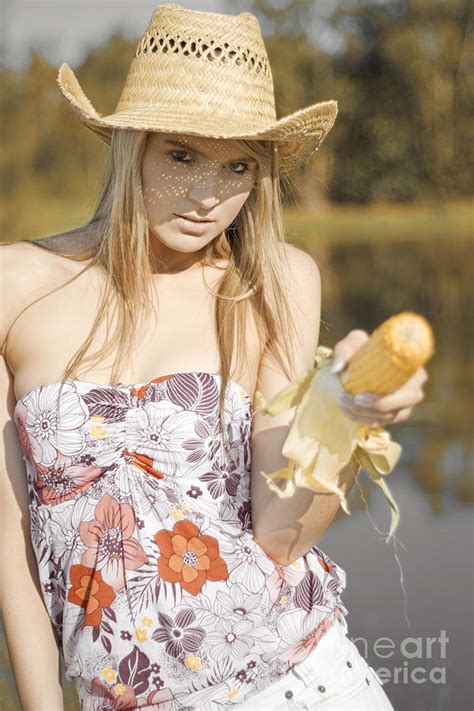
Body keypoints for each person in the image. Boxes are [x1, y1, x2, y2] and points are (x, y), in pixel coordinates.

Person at [0, 4, 427, 710]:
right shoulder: (14, 285)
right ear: (129, 142)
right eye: (180, 155)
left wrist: (343, 419)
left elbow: (281, 533)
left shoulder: (274, 283)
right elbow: (10, 539)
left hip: (304, 684)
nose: (208, 196)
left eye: (238, 166)